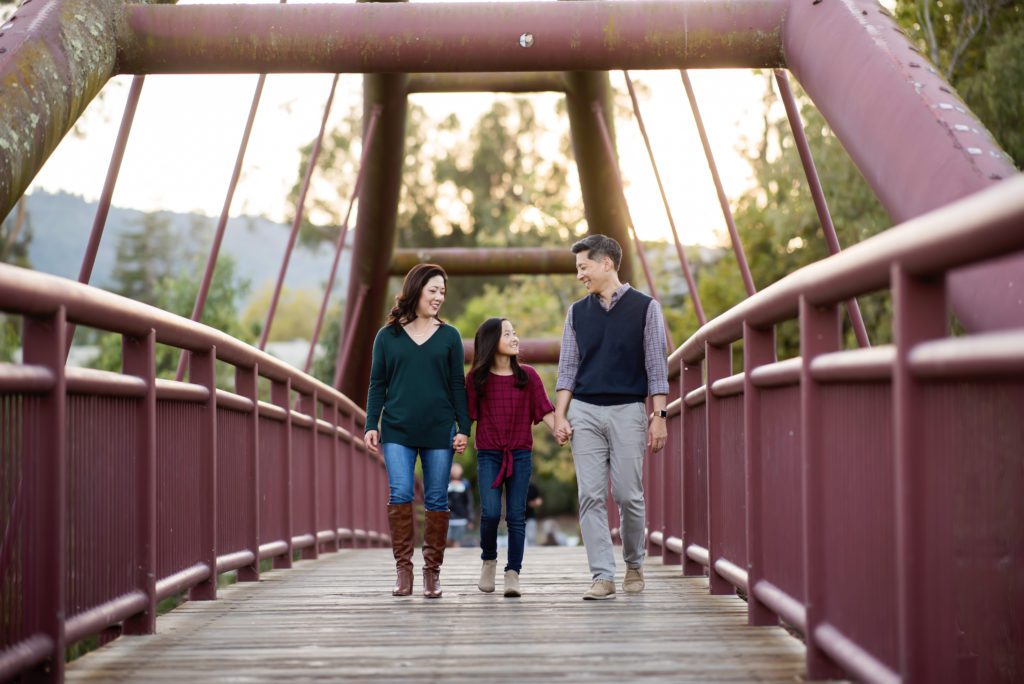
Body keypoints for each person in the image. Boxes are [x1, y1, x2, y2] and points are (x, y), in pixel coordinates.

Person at [554, 234, 669, 601]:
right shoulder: (576, 312)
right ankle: (602, 575)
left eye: (583, 267)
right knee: (590, 495)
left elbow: (656, 367)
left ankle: (634, 563)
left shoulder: (645, 308)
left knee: (627, 494)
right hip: (585, 410)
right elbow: (567, 369)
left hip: (628, 411)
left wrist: (659, 415)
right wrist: (560, 415)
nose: (579, 276)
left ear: (607, 263)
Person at [364, 263, 471, 599]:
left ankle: (432, 573)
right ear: (416, 290)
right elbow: (377, 384)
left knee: (438, 499)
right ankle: (403, 571)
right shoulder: (388, 336)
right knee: (400, 494)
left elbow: (457, 385)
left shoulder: (450, 336)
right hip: (396, 430)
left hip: (439, 429)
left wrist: (464, 427)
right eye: (433, 290)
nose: (439, 297)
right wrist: (371, 424)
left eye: (443, 291)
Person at [466, 317, 556, 598]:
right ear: (492, 342)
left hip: (519, 454)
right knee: (491, 512)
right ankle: (489, 561)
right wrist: (457, 436)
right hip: (489, 455)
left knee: (517, 516)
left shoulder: (527, 376)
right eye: (508, 334)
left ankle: (513, 572)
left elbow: (545, 410)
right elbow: (465, 416)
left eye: (515, 332)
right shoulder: (476, 380)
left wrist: (562, 430)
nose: (515, 338)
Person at [446, 462, 474, 548]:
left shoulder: (465, 484)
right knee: (447, 540)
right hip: (448, 518)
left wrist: (470, 519)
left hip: (461, 519)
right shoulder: (446, 483)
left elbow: (469, 502)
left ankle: (454, 560)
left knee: (457, 542)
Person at [525, 481, 543, 547]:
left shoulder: (532, 486)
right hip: (516, 517)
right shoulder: (514, 484)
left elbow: (539, 500)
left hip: (530, 517)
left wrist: (533, 503)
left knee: (531, 538)